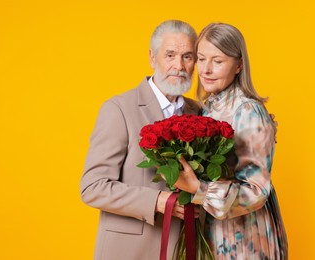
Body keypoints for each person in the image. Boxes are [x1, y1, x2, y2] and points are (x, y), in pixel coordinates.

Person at [80, 20, 200, 260]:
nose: (179, 65)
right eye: (170, 55)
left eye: (187, 56)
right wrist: (156, 200)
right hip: (129, 251)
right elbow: (92, 187)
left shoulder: (198, 113)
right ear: (152, 57)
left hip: (184, 249)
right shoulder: (119, 109)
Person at [174, 23, 288, 259]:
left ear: (239, 65)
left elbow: (257, 190)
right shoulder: (208, 107)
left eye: (217, 61)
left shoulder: (247, 110)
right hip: (212, 230)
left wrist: (198, 189)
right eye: (201, 58)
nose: (206, 69)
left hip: (242, 236)